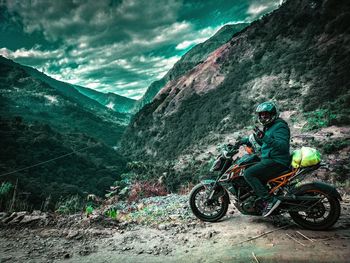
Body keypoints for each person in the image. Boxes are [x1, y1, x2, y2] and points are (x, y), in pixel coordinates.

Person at [238, 101, 291, 217]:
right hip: (270, 159)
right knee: (251, 167)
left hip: (277, 161)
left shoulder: (280, 126)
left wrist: (264, 137)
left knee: (249, 174)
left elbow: (283, 146)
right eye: (261, 115)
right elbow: (261, 140)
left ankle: (269, 201)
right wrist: (242, 141)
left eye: (266, 114)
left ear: (273, 114)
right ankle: (262, 202)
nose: (263, 117)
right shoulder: (269, 126)